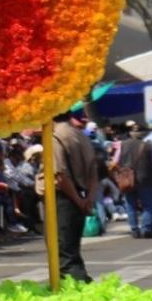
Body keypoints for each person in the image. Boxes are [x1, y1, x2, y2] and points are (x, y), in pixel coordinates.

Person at [50, 110, 97, 283]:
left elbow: (60, 176)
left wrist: (77, 200)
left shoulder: (56, 137)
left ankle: (80, 291)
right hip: (80, 195)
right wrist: (88, 199)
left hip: (64, 198)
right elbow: (93, 172)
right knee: (72, 249)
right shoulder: (81, 136)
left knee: (64, 253)